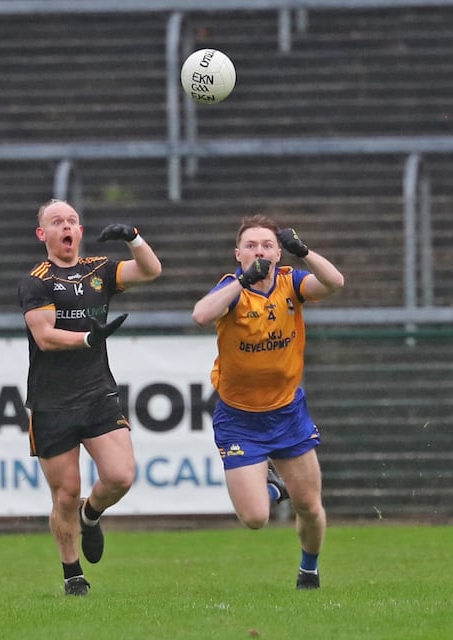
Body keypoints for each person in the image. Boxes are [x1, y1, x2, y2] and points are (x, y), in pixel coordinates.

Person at [17, 199, 162, 596]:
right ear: (42, 234)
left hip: (97, 394)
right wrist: (87, 337)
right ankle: (72, 574)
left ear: (80, 232)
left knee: (120, 475)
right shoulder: (37, 280)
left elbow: (151, 270)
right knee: (64, 493)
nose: (66, 226)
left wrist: (134, 239)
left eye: (72, 220)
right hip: (51, 404)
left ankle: (91, 515)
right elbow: (45, 337)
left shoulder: (99, 269)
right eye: (56, 221)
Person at [192, 214, 344, 590]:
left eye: (267, 245)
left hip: (288, 412)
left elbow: (334, 283)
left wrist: (304, 251)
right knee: (256, 517)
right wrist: (243, 280)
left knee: (310, 507)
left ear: (278, 252)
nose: (259, 251)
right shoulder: (232, 288)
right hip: (240, 418)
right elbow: (201, 314)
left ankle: (309, 570)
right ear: (238, 254)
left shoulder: (291, 282)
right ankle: (274, 486)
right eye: (251, 245)